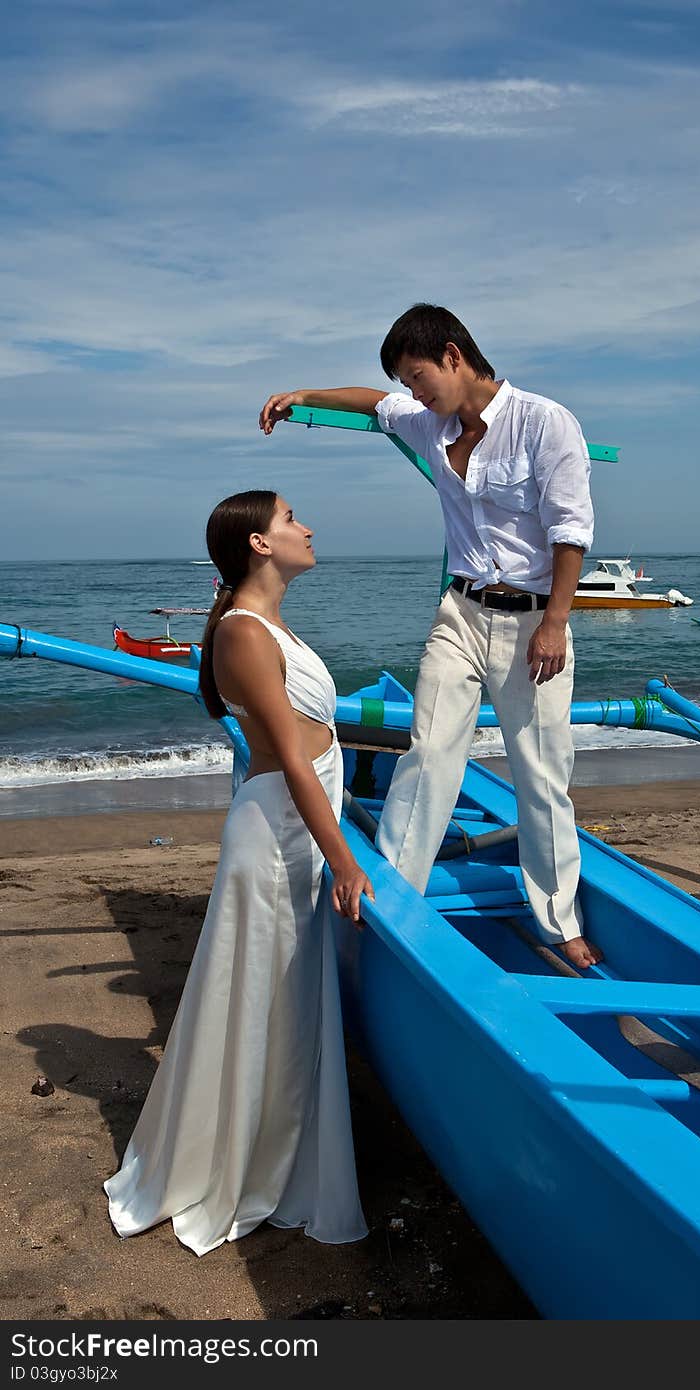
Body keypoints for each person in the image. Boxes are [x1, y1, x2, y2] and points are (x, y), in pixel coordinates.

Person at [259, 303, 602, 971]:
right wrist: (302, 395)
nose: (415, 393)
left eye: (419, 376)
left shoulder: (544, 421)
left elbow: (571, 530)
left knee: (541, 773)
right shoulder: (429, 422)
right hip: (460, 613)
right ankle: (395, 896)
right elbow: (372, 403)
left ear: (453, 355)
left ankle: (559, 919)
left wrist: (556, 623)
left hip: (535, 618)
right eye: (408, 383)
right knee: (428, 752)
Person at [104, 489, 371, 1256]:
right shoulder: (244, 635)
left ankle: (273, 1154)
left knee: (284, 1006)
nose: (308, 527)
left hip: (295, 831)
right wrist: (344, 858)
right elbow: (292, 758)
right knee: (260, 1000)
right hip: (279, 834)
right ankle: (239, 1164)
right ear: (258, 543)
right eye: (292, 519)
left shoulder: (265, 626)